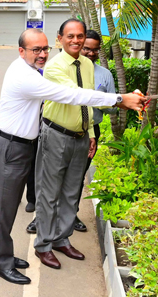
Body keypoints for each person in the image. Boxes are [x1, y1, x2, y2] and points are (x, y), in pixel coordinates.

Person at [0, 28, 143, 284]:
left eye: (45, 48)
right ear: (21, 51)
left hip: (20, 146)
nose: (42, 54)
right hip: (10, 148)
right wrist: (119, 99)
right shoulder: (27, 76)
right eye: (36, 50)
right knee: (4, 210)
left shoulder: (28, 70)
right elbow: (71, 94)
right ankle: (0, 263)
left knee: (10, 208)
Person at [34, 19, 120, 270]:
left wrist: (91, 131)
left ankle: (62, 238)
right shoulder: (53, 67)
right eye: (70, 36)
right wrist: (119, 99)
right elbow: (76, 94)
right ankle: (44, 244)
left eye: (80, 36)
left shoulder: (87, 64)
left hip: (81, 136)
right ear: (59, 38)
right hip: (57, 135)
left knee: (73, 192)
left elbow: (89, 103)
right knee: (49, 193)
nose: (76, 40)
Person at [75, 30, 116, 232]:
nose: (91, 53)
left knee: (80, 174)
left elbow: (113, 106)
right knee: (58, 174)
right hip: (68, 128)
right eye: (87, 49)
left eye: (95, 50)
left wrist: (99, 101)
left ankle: (71, 214)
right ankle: (44, 217)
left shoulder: (105, 74)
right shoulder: (70, 70)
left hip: (91, 131)